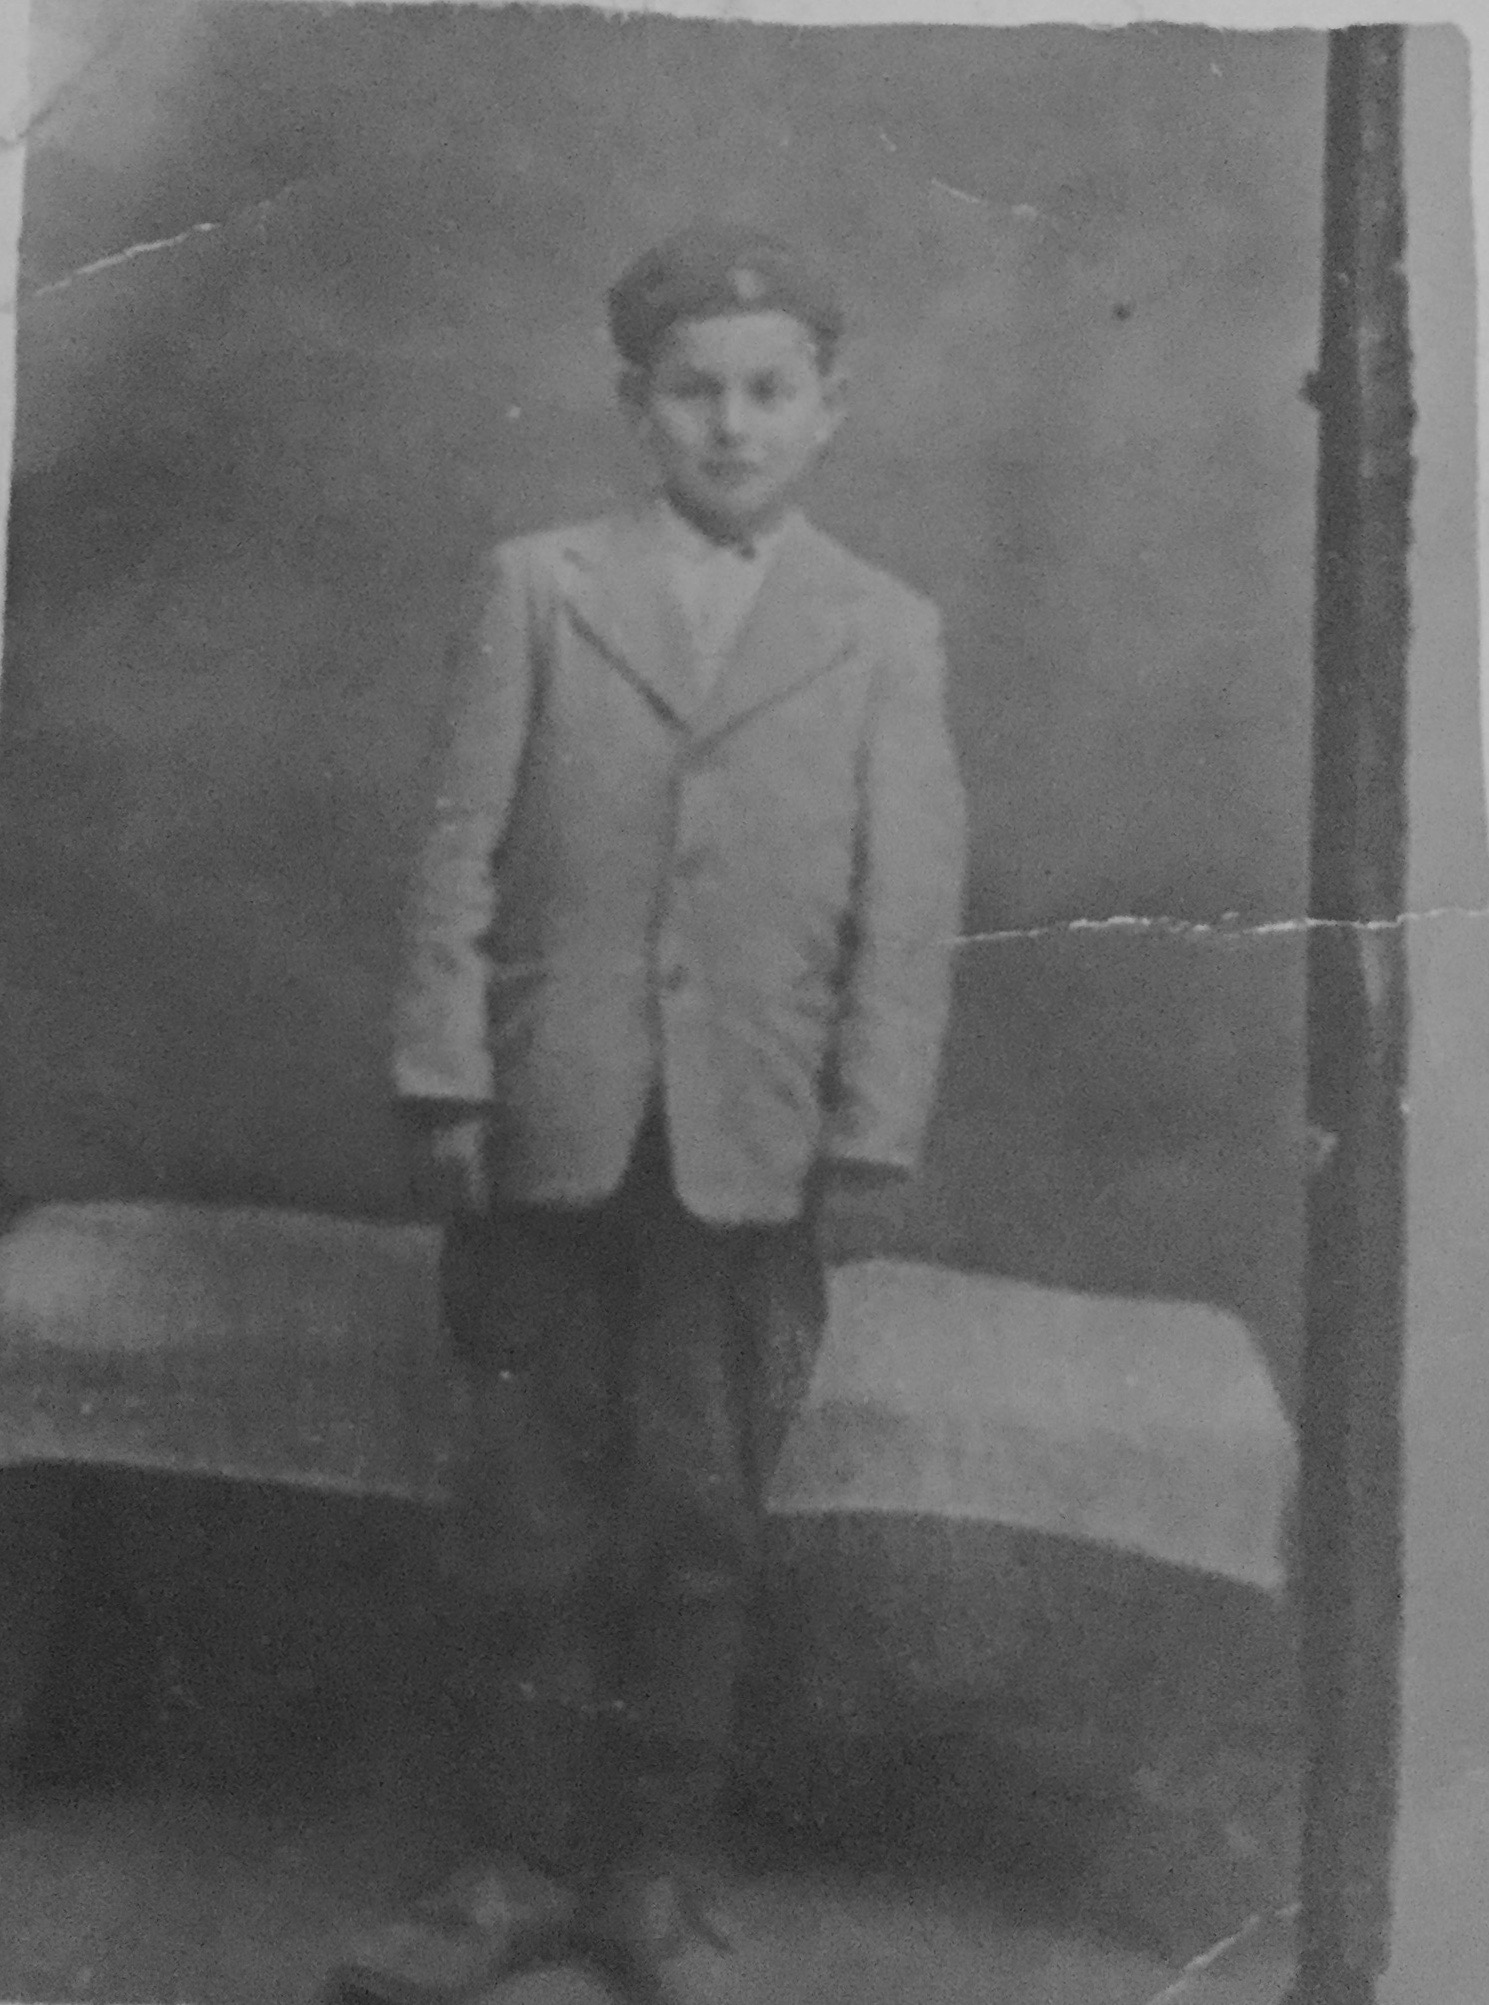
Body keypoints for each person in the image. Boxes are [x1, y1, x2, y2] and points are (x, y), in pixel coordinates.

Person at [323, 222, 966, 2004]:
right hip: (552, 1124)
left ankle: (655, 1874)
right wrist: (445, 1075)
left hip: (754, 1147)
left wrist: (870, 1133)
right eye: (694, 392)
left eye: (768, 391)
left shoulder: (883, 629)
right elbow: (458, 848)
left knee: (698, 1513)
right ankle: (513, 1864)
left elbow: (905, 914)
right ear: (633, 405)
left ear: (829, 408)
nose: (731, 426)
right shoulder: (538, 586)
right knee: (525, 1511)